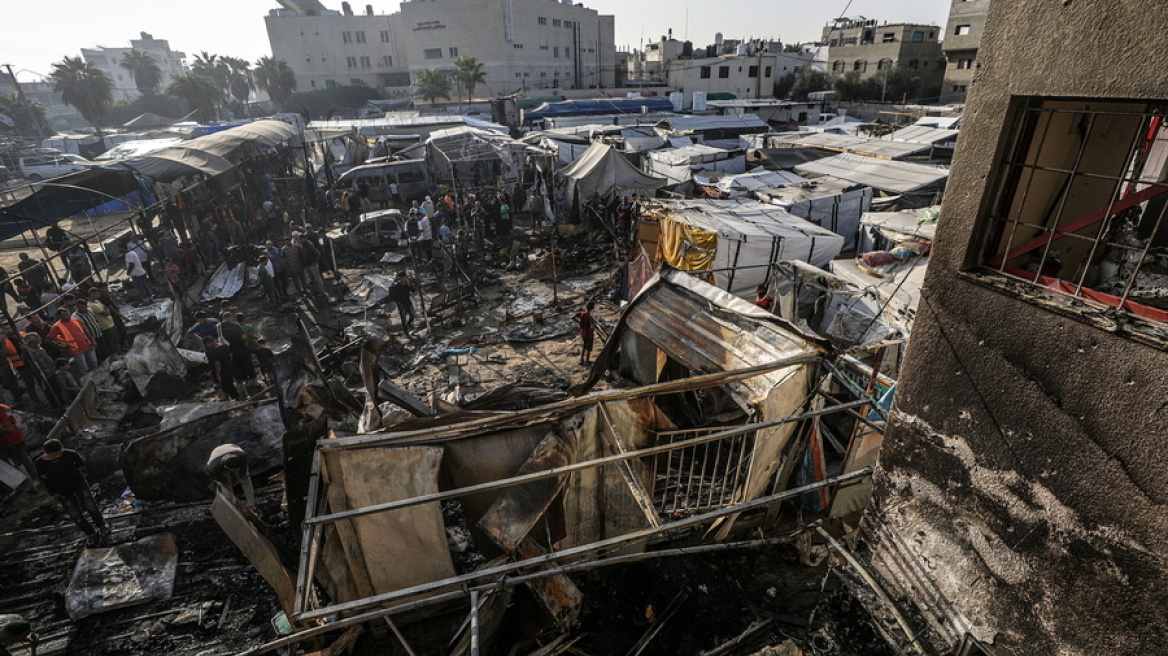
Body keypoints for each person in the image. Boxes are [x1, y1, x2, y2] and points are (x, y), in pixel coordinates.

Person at [36, 439, 108, 545]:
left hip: (78, 484)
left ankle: (102, 526)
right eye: (54, 455)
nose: (57, 456)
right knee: (75, 515)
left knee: (91, 506)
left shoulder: (70, 454)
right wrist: (52, 493)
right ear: (46, 453)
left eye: (59, 453)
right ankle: (91, 533)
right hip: (61, 491)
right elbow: (43, 480)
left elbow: (82, 466)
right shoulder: (40, 463)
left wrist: (81, 478)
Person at [204, 443, 257, 510]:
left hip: (232, 449)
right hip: (217, 458)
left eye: (238, 468)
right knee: (226, 485)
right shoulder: (212, 467)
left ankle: (251, 504)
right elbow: (212, 475)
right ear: (226, 467)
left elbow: (243, 467)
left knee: (245, 479)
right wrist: (224, 481)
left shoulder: (242, 456)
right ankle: (233, 506)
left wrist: (242, 474)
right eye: (235, 470)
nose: (236, 470)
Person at [49, 308, 96, 377]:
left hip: (87, 345)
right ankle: (87, 380)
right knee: (83, 368)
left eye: (68, 314)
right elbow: (49, 339)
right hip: (76, 350)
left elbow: (85, 330)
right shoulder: (56, 326)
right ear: (59, 316)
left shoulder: (75, 320)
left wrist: (92, 340)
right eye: (64, 315)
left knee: (94, 363)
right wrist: (62, 346)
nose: (67, 316)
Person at [0, 404, 37, 490]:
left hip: (12, 441)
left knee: (23, 460)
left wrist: (2, 429)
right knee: (5, 466)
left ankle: (35, 479)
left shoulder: (2, 409)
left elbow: (10, 428)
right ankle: (17, 485)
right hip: (2, 444)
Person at [23, 335, 62, 409]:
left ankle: (61, 400)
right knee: (50, 390)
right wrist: (24, 350)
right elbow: (24, 358)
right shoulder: (30, 351)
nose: (40, 339)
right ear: (33, 341)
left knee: (57, 387)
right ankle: (56, 405)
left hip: (52, 371)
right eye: (37, 338)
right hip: (45, 374)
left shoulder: (39, 347)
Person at [217, 312, 256, 381]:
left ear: (223, 318)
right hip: (240, 348)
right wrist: (244, 343)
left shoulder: (217, 327)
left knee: (236, 365)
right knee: (247, 363)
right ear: (230, 318)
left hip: (228, 351)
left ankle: (242, 380)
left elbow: (216, 340)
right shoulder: (235, 326)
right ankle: (252, 380)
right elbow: (243, 337)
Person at [87, 288, 119, 358]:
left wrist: (106, 309)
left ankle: (116, 354)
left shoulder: (97, 302)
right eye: (97, 294)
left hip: (110, 323)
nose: (99, 296)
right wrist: (106, 310)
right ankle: (113, 356)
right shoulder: (91, 305)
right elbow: (106, 313)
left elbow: (106, 307)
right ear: (91, 294)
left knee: (115, 340)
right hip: (105, 326)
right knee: (110, 342)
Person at [388, 271, 416, 336]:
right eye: (403, 278)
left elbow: (413, 290)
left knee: (413, 316)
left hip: (408, 303)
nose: (404, 279)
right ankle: (406, 332)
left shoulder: (407, 285)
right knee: (403, 320)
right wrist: (398, 302)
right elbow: (393, 296)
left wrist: (409, 284)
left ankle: (409, 323)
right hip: (401, 305)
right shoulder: (397, 287)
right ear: (400, 279)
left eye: (405, 277)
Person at [573, 301, 597, 366]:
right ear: (592, 309)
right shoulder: (589, 317)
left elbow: (573, 317)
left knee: (584, 347)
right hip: (589, 335)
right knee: (588, 349)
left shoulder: (581, 313)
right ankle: (587, 361)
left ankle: (581, 360)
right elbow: (591, 327)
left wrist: (579, 323)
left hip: (583, 333)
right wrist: (593, 326)